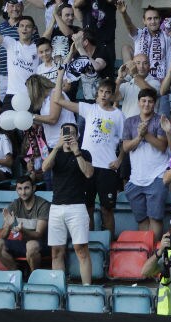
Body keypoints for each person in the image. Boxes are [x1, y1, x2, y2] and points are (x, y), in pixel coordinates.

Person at [55, 69, 124, 238]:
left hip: (107, 167)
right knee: (88, 208)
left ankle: (108, 246)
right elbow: (57, 100)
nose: (104, 95)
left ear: (112, 95)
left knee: (107, 209)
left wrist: (120, 160)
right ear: (96, 93)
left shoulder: (118, 115)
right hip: (87, 166)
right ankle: (90, 242)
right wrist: (60, 74)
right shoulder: (89, 108)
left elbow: (124, 142)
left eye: (108, 92)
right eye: (101, 91)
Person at [41, 123, 93, 284]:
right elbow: (44, 168)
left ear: (77, 136)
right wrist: (56, 147)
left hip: (77, 206)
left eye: (72, 133)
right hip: (56, 206)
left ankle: (87, 288)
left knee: (81, 250)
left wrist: (76, 152)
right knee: (56, 251)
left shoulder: (84, 153)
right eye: (65, 133)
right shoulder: (54, 153)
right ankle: (59, 289)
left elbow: (88, 173)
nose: (68, 136)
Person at [121, 88, 170, 240]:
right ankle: (146, 251)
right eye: (143, 101)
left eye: (150, 101)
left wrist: (145, 134)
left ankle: (156, 254)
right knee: (141, 219)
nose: (146, 104)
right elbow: (126, 147)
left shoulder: (160, 119)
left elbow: (162, 146)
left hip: (157, 175)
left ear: (154, 103)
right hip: (136, 178)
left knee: (155, 218)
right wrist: (139, 137)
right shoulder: (130, 121)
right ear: (138, 102)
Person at [0, 176, 51, 273]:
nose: (23, 192)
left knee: (31, 245)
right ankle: (17, 274)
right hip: (25, 244)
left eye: (26, 188)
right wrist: (8, 225)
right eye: (20, 189)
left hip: (43, 244)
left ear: (34, 188)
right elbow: (2, 236)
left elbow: (38, 234)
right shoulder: (15, 205)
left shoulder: (43, 205)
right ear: (16, 189)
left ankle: (34, 277)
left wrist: (22, 230)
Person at [0, 4, 39, 106]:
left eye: (18, 6)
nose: (24, 29)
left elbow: (38, 50)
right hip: (5, 75)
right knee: (5, 107)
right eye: (22, 26)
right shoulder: (5, 35)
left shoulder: (34, 41)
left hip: (27, 80)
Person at [119, 4, 169, 81]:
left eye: (155, 18)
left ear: (160, 19)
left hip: (157, 78)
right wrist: (124, 13)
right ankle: (129, 77)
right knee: (125, 48)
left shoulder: (166, 35)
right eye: (149, 19)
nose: (153, 21)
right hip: (138, 75)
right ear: (144, 21)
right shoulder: (139, 33)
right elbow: (129, 26)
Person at [115, 52, 161, 121]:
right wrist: (119, 78)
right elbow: (114, 97)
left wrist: (135, 74)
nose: (141, 66)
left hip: (147, 126)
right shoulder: (128, 83)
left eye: (145, 63)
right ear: (133, 66)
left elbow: (150, 93)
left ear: (149, 66)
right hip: (128, 126)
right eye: (138, 63)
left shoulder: (155, 82)